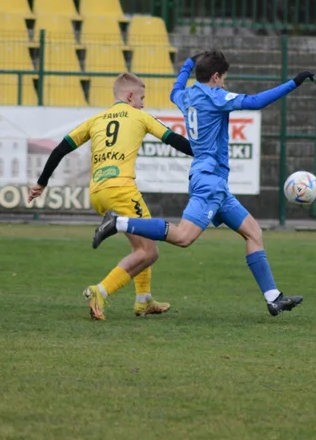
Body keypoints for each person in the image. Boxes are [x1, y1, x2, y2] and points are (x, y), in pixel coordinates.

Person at [92, 49, 315, 316]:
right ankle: (118, 222)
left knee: (253, 232)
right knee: (184, 238)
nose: (225, 83)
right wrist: (294, 83)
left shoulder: (185, 96)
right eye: (224, 78)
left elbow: (174, 89)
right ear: (217, 77)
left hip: (214, 183)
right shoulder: (216, 96)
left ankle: (273, 298)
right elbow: (255, 102)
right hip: (210, 182)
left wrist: (188, 63)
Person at [29, 72, 194, 321]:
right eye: (141, 98)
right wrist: (206, 153)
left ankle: (143, 300)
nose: (143, 103)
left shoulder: (96, 119)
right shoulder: (139, 116)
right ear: (129, 96)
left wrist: (41, 183)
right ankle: (100, 291)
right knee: (150, 252)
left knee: (141, 245)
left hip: (97, 193)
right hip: (121, 190)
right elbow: (175, 140)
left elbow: (60, 149)